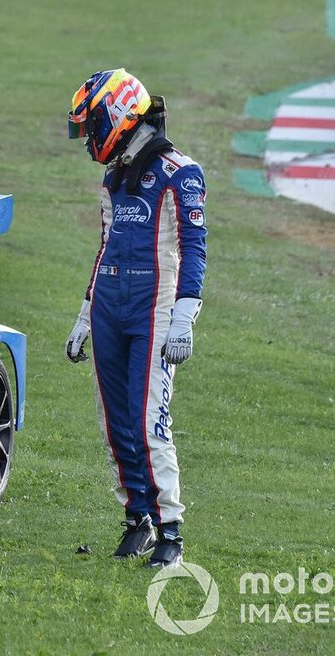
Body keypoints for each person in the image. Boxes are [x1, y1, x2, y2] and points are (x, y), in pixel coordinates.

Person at [64, 69, 207, 568]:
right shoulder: (113, 175)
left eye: (92, 125)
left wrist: (185, 316)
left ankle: (171, 531)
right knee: (115, 422)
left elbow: (194, 249)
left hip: (155, 306)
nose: (89, 139)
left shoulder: (180, 172)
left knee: (149, 424)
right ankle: (137, 519)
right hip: (109, 303)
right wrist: (85, 314)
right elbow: (104, 246)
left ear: (118, 115)